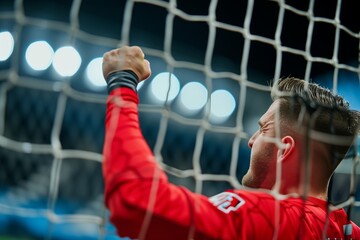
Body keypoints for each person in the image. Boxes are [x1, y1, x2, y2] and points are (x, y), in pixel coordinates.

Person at [101, 46, 360, 239]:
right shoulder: (349, 232)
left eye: (262, 129)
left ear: (285, 149)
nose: (251, 141)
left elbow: (136, 202)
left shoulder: (271, 218)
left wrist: (122, 81)